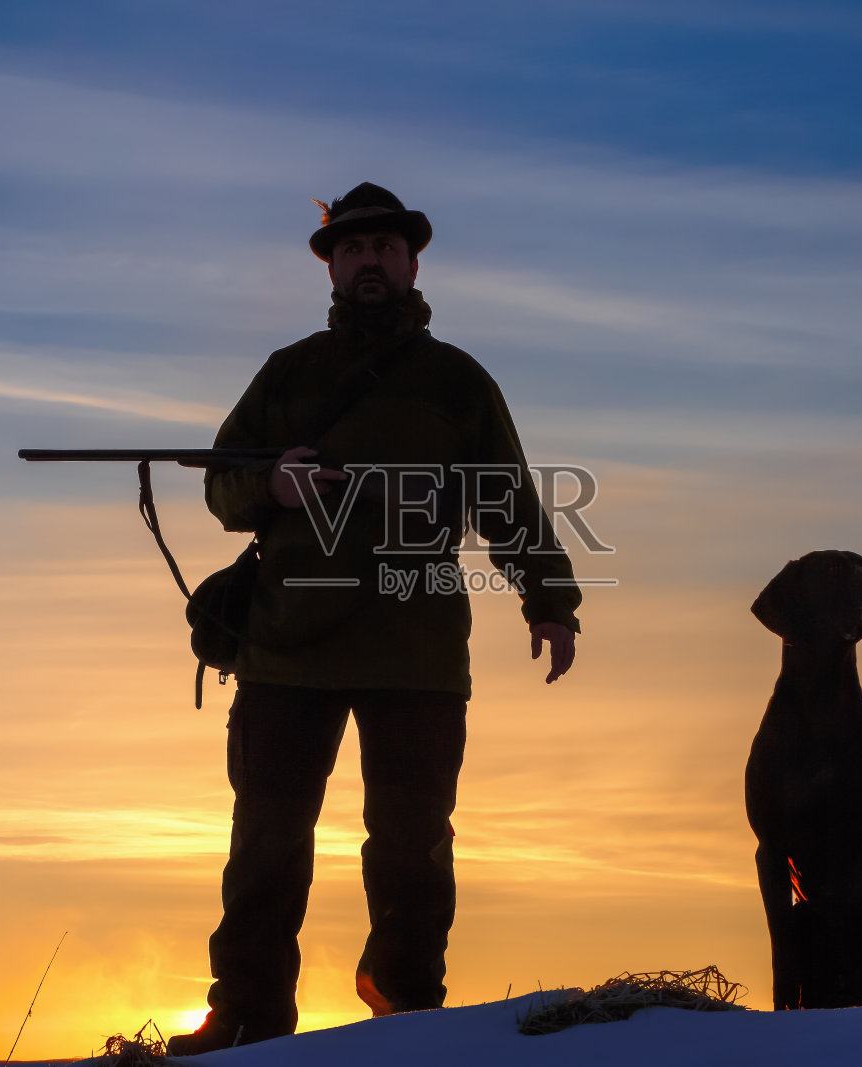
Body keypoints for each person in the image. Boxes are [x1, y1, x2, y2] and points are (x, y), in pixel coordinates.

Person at [168, 182, 583, 1055]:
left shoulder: (457, 380)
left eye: (384, 248)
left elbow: (507, 501)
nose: (369, 262)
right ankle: (246, 1015)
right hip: (286, 647)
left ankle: (406, 1012)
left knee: (413, 847)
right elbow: (221, 484)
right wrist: (269, 484)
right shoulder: (287, 374)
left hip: (418, 650)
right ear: (331, 264)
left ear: (411, 262)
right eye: (352, 249)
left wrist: (550, 600)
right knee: (265, 847)